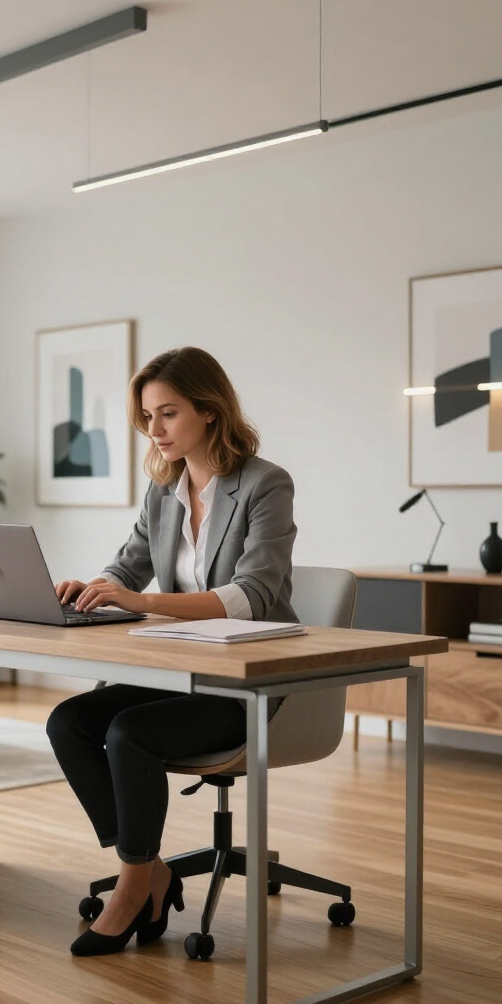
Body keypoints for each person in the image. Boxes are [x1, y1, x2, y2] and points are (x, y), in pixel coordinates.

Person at [45, 345, 298, 957]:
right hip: (184, 671)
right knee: (71, 722)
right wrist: (95, 589)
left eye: (167, 414)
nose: (153, 431)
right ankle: (150, 870)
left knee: (130, 734)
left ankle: (132, 889)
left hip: (250, 682)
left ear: (209, 411)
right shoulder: (165, 489)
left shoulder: (265, 484)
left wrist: (143, 604)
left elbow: (254, 595)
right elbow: (128, 568)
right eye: (147, 417)